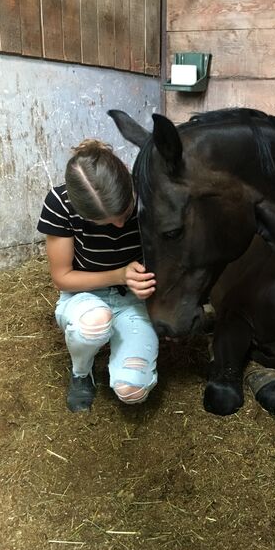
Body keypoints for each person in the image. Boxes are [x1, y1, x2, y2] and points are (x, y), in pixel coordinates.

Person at [37, 139, 158, 412]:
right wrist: (120, 275)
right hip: (82, 295)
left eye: (125, 211)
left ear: (127, 174)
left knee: (132, 391)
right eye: (103, 222)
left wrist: (151, 283)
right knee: (93, 323)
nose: (118, 224)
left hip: (134, 299)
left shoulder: (151, 192)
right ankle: (81, 372)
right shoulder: (60, 202)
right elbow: (62, 278)